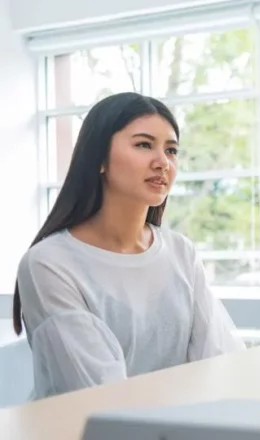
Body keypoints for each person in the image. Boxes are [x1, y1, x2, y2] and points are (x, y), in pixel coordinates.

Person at [12, 92, 245, 400]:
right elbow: (97, 392)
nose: (162, 162)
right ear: (99, 160)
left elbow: (218, 359)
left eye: (171, 150)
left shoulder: (180, 252)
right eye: (144, 145)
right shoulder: (48, 264)